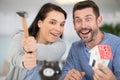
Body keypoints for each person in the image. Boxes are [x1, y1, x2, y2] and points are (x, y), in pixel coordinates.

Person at [5, 3, 67, 80]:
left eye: (62, 24)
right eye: (52, 22)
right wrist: (23, 62)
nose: (58, 29)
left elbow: (50, 53)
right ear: (40, 23)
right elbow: (12, 55)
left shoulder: (61, 45)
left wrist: (34, 48)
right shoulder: (21, 36)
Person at [62, 1, 120, 80]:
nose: (83, 26)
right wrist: (67, 77)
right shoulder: (75, 48)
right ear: (74, 25)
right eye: (78, 21)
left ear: (98, 21)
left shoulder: (117, 45)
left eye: (88, 19)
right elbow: (64, 74)